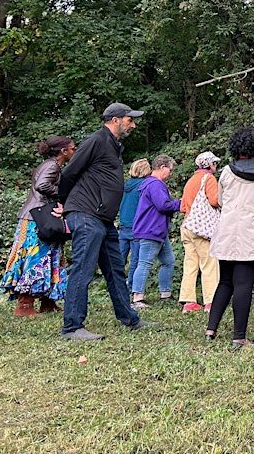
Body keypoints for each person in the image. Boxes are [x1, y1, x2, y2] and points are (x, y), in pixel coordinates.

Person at [57, 103, 154, 340]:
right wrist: (66, 203)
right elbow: (69, 172)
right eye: (130, 119)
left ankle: (129, 318)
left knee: (115, 270)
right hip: (87, 213)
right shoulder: (97, 140)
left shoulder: (113, 146)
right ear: (115, 120)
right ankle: (72, 327)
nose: (133, 124)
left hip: (103, 219)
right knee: (83, 268)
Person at [206, 127, 254, 349]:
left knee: (225, 281)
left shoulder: (227, 172)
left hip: (228, 231)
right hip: (253, 233)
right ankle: (239, 337)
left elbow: (220, 199)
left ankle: (211, 329)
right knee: (243, 284)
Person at [1, 136, 76, 315]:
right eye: (72, 148)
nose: (75, 151)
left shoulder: (51, 165)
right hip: (36, 220)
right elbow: (43, 185)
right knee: (34, 259)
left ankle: (47, 302)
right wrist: (63, 194)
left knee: (51, 257)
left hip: (41, 218)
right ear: (63, 151)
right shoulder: (51, 166)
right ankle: (24, 305)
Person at [130, 155, 181, 308]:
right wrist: (181, 203)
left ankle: (165, 294)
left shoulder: (148, 184)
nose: (170, 173)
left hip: (157, 230)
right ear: (163, 167)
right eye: (170, 170)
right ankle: (137, 297)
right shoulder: (155, 185)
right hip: (152, 229)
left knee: (168, 261)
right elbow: (163, 205)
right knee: (145, 263)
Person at [178, 151, 221, 312]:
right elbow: (214, 200)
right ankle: (211, 301)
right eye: (214, 163)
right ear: (209, 164)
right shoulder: (209, 178)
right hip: (201, 229)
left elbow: (182, 207)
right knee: (209, 263)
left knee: (190, 264)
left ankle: (188, 302)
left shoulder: (191, 180)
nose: (215, 166)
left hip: (187, 226)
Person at [118, 159, 151, 287]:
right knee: (135, 261)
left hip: (123, 225)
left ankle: (117, 286)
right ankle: (132, 286)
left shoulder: (126, 185)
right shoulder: (144, 186)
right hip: (137, 226)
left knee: (120, 260)